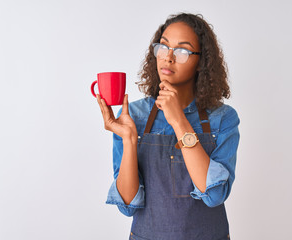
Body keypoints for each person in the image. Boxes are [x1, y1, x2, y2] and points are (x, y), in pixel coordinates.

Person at [96, 12, 240, 240]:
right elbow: (127, 205)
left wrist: (179, 121)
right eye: (163, 47)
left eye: (182, 50)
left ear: (201, 62)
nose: (168, 57)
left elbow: (214, 195)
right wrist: (130, 140)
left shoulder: (223, 118)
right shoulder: (133, 115)